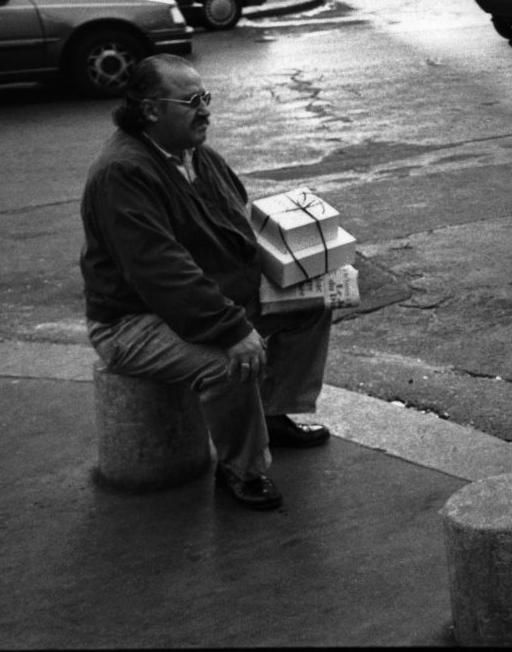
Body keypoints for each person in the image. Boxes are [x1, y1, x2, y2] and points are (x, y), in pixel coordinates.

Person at [80, 55, 334, 511]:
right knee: (227, 361)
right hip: (131, 321)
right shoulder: (124, 172)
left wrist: (299, 265)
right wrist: (231, 328)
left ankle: (273, 414)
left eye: (206, 97)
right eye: (192, 101)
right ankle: (242, 468)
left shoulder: (195, 154)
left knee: (311, 305)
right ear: (151, 110)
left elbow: (239, 224)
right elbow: (162, 272)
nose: (205, 110)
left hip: (199, 299)